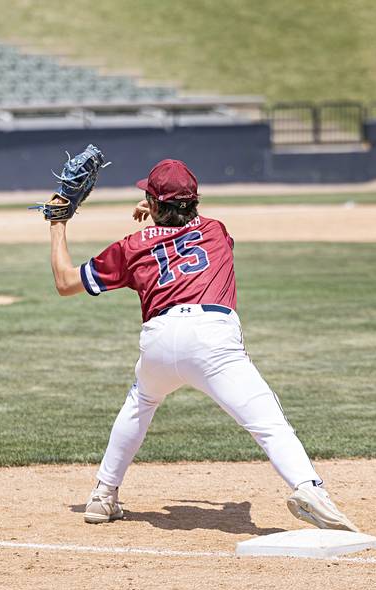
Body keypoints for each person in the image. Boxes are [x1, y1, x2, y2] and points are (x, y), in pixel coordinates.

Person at [47, 158, 358, 531]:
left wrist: (58, 223)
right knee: (266, 420)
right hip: (213, 339)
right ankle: (309, 489)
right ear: (193, 201)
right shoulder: (215, 231)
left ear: (155, 204)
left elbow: (66, 282)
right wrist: (161, 208)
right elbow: (184, 223)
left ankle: (102, 495)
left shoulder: (132, 245)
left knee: (141, 403)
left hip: (159, 340)